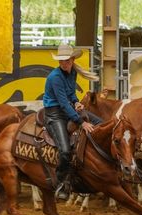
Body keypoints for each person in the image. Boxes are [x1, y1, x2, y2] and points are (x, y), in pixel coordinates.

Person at [43, 44, 102, 200]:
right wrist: (81, 122)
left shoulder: (72, 72)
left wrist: (76, 102)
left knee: (101, 124)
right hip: (54, 113)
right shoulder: (55, 77)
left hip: (67, 109)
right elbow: (62, 102)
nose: (64, 63)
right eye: (61, 60)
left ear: (72, 59)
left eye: (67, 60)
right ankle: (61, 183)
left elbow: (70, 94)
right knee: (65, 150)